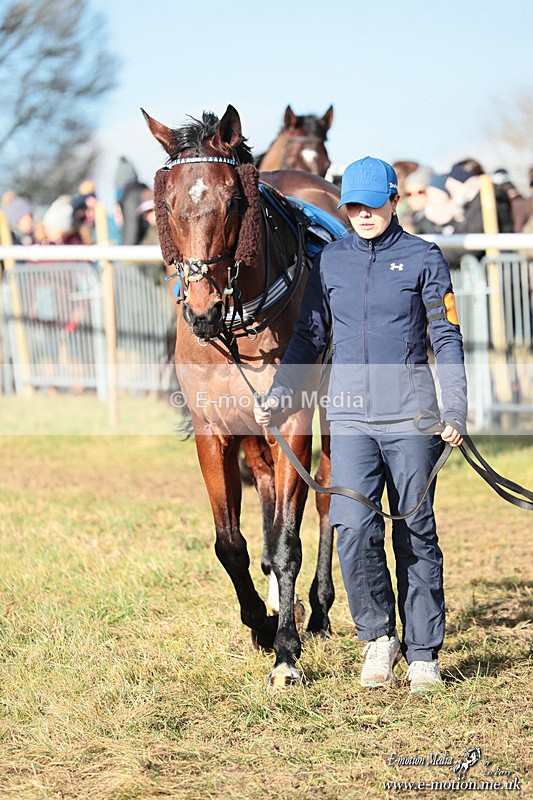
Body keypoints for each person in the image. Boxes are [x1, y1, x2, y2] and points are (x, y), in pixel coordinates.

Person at [253, 157, 467, 693]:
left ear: (395, 201)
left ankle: (422, 652)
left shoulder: (424, 258)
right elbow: (307, 336)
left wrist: (456, 409)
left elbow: (446, 337)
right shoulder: (329, 262)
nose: (363, 214)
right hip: (348, 417)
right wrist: (279, 394)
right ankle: (377, 639)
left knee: (414, 529)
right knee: (350, 528)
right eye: (353, 205)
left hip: (410, 416)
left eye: (373, 204)